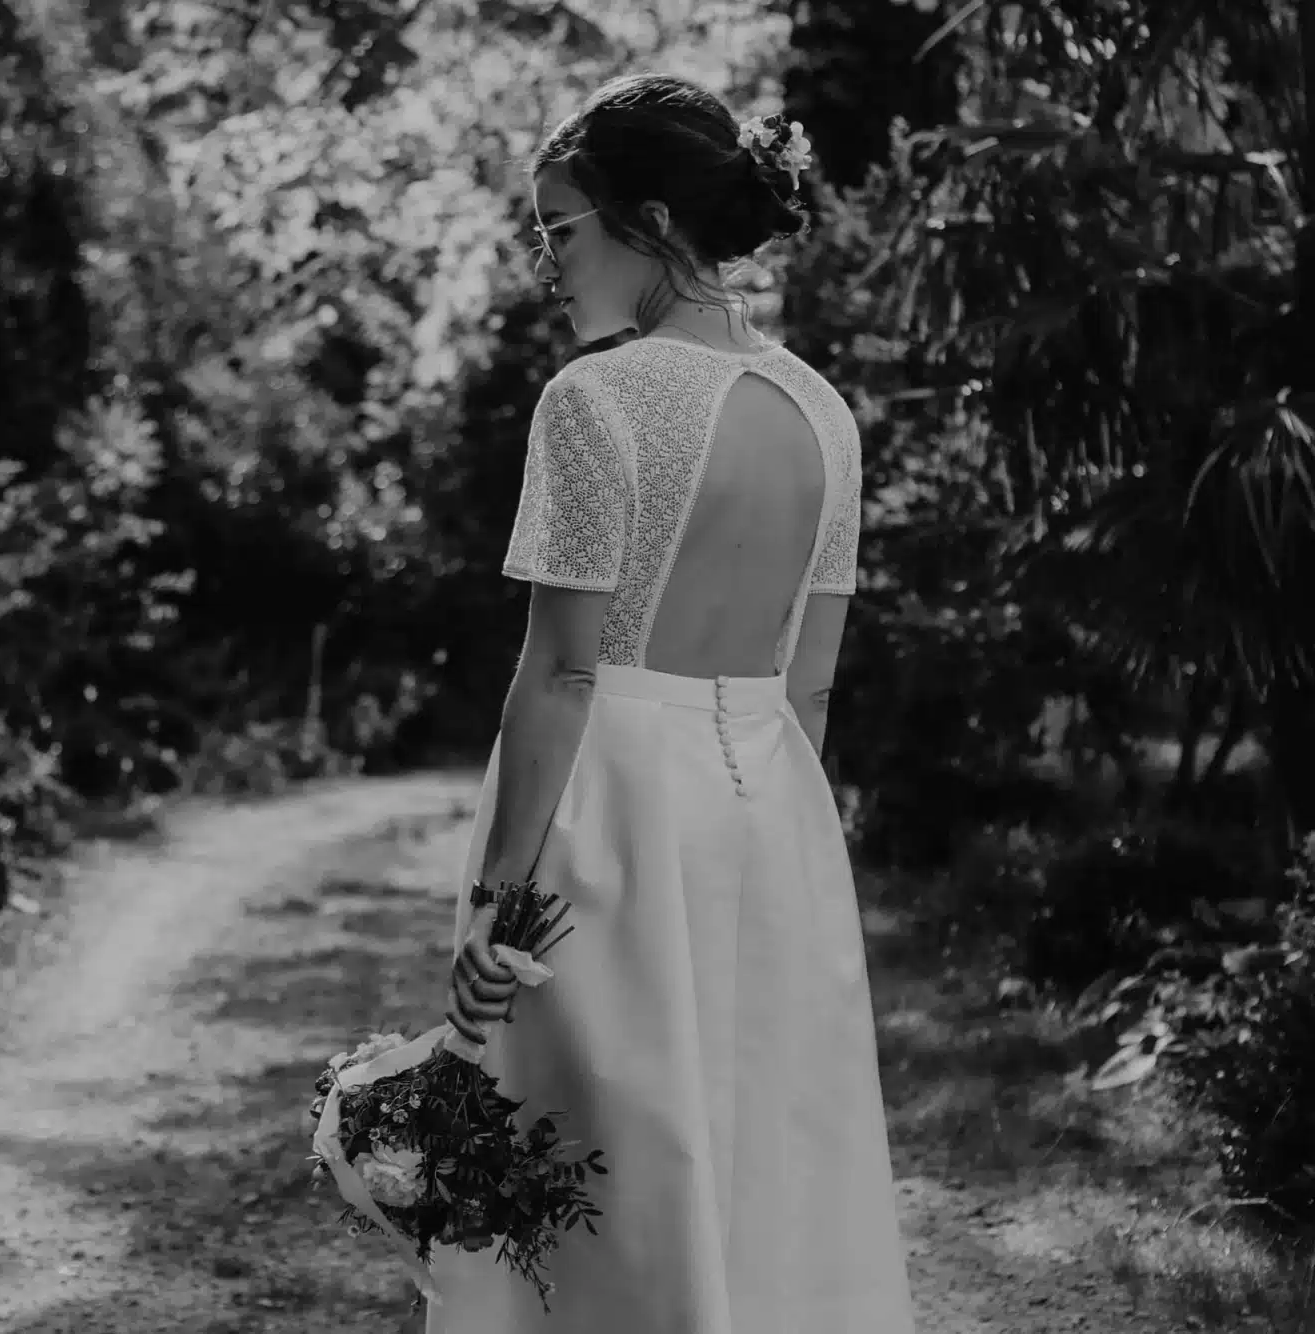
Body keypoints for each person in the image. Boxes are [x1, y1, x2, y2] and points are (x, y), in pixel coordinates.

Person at [429, 72, 915, 1333]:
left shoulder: (593, 402)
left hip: (619, 811)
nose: (544, 261)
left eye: (559, 228)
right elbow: (808, 684)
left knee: (589, 1174)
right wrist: (765, 840)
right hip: (773, 817)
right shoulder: (824, 415)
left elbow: (564, 671)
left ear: (645, 221)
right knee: (756, 1159)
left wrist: (493, 903)